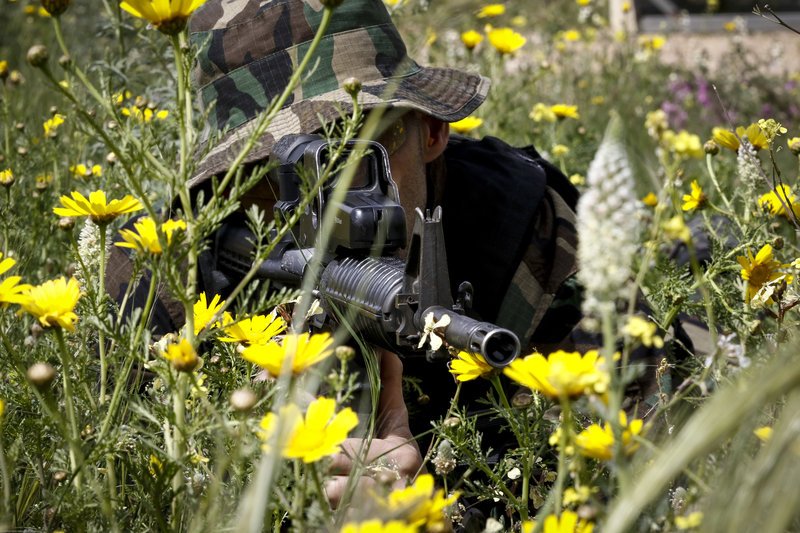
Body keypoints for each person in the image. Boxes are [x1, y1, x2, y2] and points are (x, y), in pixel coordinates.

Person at [106, 0, 641, 513]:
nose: (311, 210)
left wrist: (437, 505)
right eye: (262, 177)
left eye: (349, 162)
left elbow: (648, 450)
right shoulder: (162, 274)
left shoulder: (525, 233)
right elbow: (116, 494)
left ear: (430, 131)